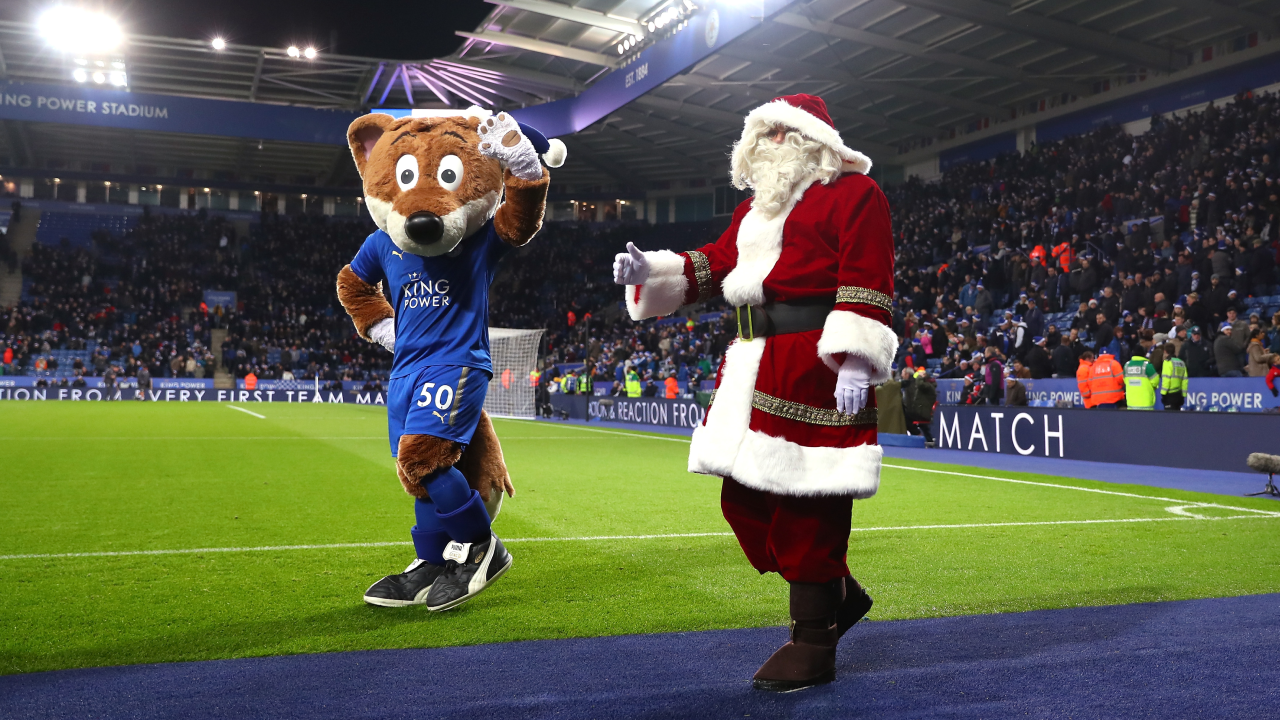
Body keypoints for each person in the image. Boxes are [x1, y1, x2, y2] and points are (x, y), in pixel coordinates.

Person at [614, 94, 887, 691]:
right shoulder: (754, 213)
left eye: (782, 134)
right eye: (761, 135)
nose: (770, 145)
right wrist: (652, 273)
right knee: (745, 499)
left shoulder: (855, 195)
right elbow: (714, 265)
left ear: (814, 141)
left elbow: (867, 274)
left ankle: (814, 641)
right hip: (750, 362)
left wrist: (855, 361)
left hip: (814, 358)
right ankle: (838, 595)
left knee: (808, 501)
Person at [900, 368, 936, 442]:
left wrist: (919, 376)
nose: (901, 375)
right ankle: (928, 440)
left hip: (922, 412)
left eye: (902, 373)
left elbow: (920, 385)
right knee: (923, 427)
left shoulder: (927, 386)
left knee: (906, 418)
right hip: (921, 411)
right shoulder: (927, 386)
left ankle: (917, 436)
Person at [1159, 343, 1188, 411]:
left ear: (1165, 351)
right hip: (1179, 394)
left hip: (1170, 395)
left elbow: (1166, 379)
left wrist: (1163, 394)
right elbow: (1185, 380)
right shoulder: (1181, 362)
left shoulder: (1167, 362)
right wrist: (1183, 395)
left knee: (1169, 418)